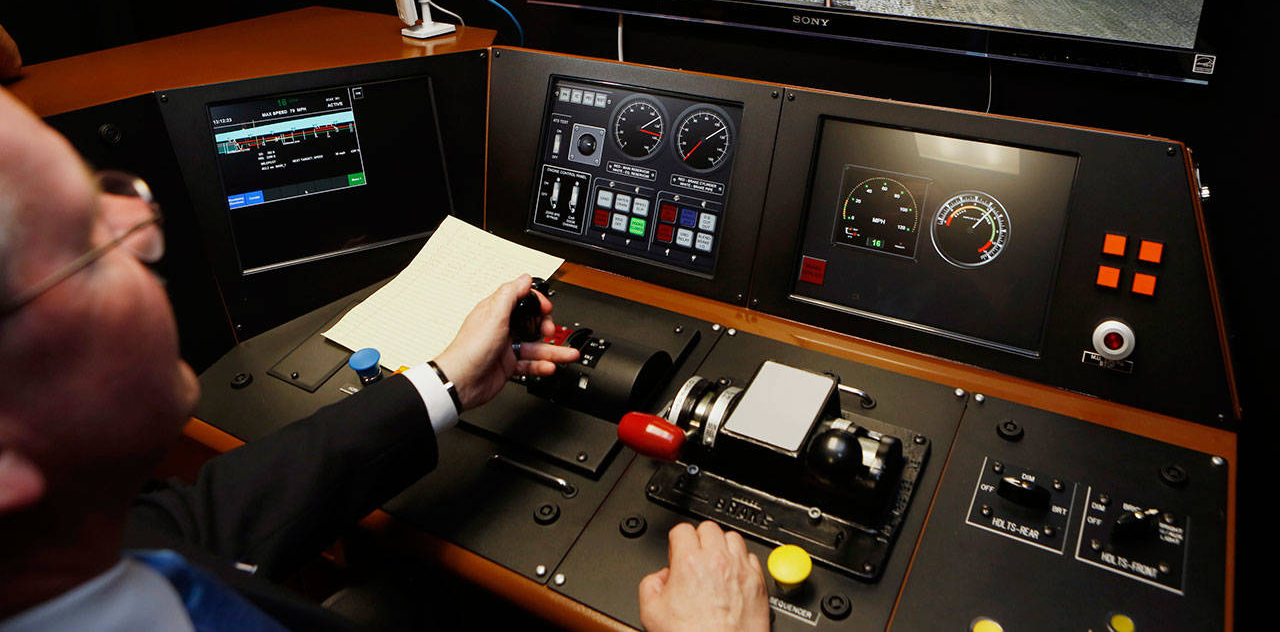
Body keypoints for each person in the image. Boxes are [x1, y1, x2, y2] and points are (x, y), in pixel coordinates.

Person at [0, 85, 768, 630]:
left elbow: (197, 521)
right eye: (86, 246)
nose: (140, 216)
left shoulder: (80, 549)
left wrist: (443, 382)